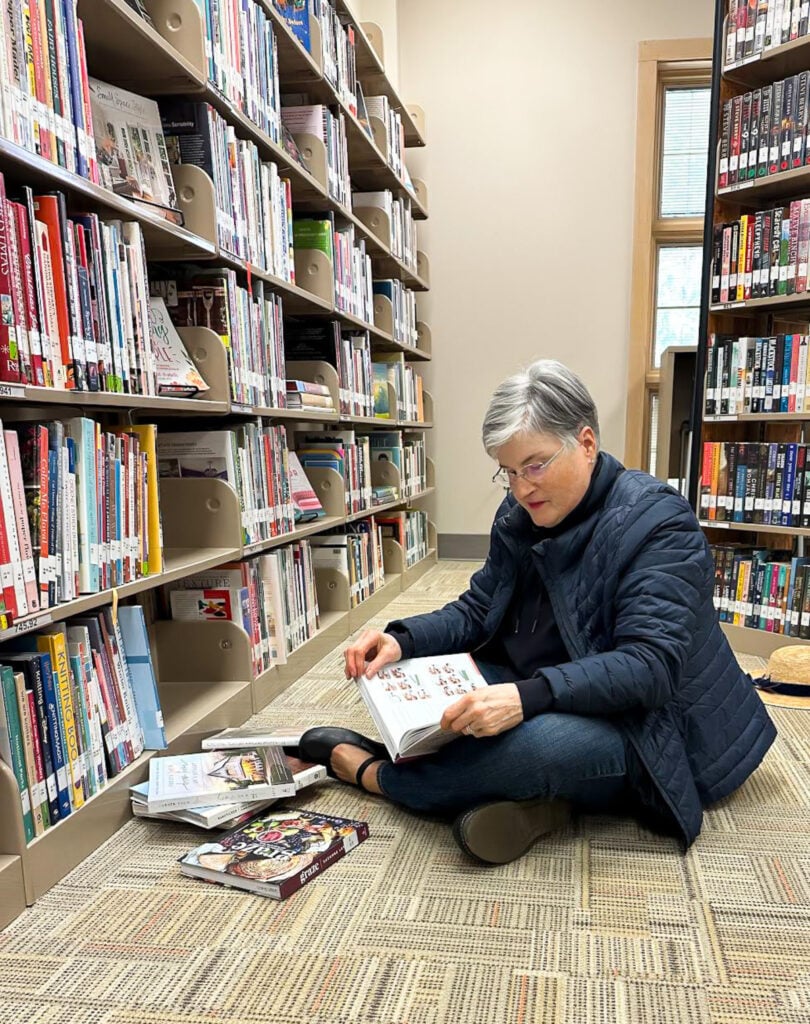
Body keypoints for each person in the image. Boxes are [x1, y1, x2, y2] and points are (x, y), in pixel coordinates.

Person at [299, 360, 777, 864]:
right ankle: (545, 803)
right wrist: (403, 640)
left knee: (531, 747)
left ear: (586, 443)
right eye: (508, 471)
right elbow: (479, 608)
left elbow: (649, 667)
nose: (521, 487)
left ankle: (379, 776)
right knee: (420, 679)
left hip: (645, 722)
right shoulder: (521, 512)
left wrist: (526, 698)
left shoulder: (658, 522)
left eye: (535, 465)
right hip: (545, 681)